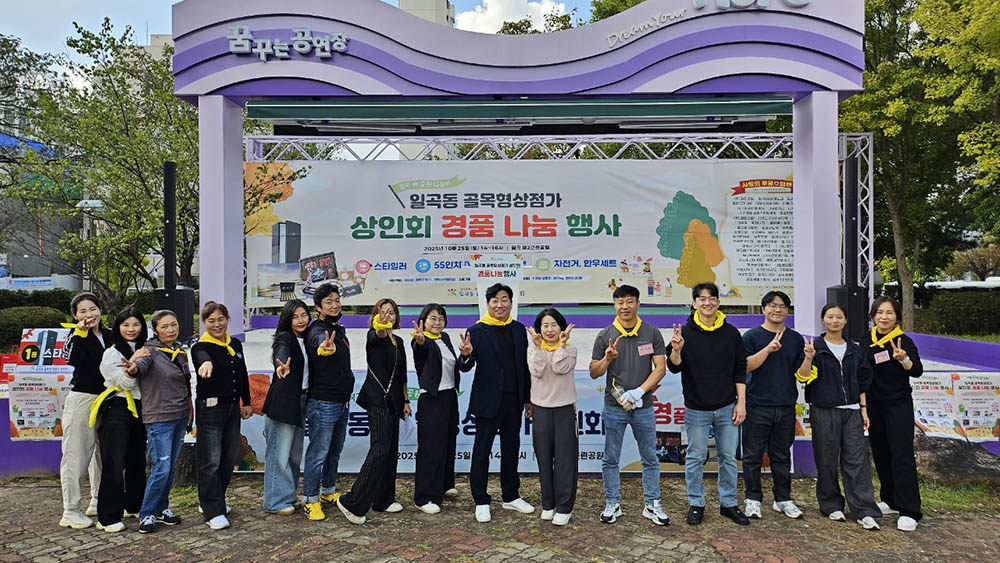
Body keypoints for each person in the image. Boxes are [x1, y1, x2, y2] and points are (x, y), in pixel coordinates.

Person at [667, 282, 749, 526]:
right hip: (696, 409)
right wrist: (676, 349)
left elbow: (740, 369)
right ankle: (696, 503)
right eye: (702, 298)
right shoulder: (684, 332)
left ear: (718, 302)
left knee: (728, 457)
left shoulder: (731, 333)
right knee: (696, 457)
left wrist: (741, 403)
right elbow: (674, 366)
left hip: (727, 406)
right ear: (694, 303)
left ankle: (729, 503)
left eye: (712, 298)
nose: (707, 302)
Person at [590, 284, 670, 526]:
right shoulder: (605, 335)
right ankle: (612, 503)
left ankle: (652, 503)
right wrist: (607, 359)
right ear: (614, 305)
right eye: (620, 302)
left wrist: (639, 392)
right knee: (610, 457)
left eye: (630, 301)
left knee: (650, 457)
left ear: (638, 304)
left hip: (643, 407)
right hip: (614, 407)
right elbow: (594, 372)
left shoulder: (651, 333)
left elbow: (660, 369)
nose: (625, 306)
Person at [797, 304, 882, 531]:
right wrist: (808, 358)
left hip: (852, 410)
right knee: (826, 459)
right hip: (824, 409)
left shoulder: (855, 349)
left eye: (839, 317)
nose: (834, 321)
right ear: (822, 320)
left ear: (845, 321)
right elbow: (803, 377)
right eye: (830, 317)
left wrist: (863, 408)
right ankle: (831, 505)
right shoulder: (815, 347)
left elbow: (863, 381)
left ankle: (863, 509)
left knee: (856, 461)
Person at [464, 283, 534, 523]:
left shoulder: (518, 330)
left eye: (504, 300)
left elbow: (524, 366)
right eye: (495, 300)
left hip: (513, 401)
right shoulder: (476, 331)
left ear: (511, 303)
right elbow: (465, 366)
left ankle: (511, 495)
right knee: (481, 451)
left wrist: (527, 399)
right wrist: (465, 355)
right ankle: (481, 500)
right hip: (487, 402)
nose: (500, 305)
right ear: (487, 304)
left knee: (511, 449)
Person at [337, 298, 410, 524]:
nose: (387, 316)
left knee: (391, 450)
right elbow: (377, 334)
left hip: (395, 401)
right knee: (379, 449)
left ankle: (384, 499)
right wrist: (380, 326)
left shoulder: (399, 341)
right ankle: (353, 502)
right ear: (376, 316)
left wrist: (406, 400)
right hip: (377, 400)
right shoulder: (373, 336)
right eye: (382, 312)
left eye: (391, 312)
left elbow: (402, 374)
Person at [125, 310, 193, 534]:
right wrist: (132, 368)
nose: (170, 330)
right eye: (164, 326)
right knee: (161, 467)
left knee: (170, 467)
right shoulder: (150, 351)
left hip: (180, 415)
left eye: (174, 324)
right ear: (155, 330)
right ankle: (146, 513)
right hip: (159, 419)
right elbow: (139, 366)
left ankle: (162, 508)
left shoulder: (180, 352)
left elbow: (185, 384)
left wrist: (190, 409)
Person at [741, 291, 805, 520]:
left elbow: (802, 374)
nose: (777, 310)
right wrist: (767, 349)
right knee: (753, 455)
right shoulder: (751, 337)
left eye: (782, 306)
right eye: (772, 305)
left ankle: (783, 499)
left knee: (781, 456)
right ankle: (753, 499)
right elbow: (745, 366)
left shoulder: (796, 339)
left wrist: (808, 358)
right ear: (763, 309)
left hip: (785, 405)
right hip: (756, 405)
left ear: (787, 310)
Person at [862, 296, 924, 531]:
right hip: (873, 405)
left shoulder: (903, 340)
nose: (884, 317)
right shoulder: (866, 339)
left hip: (898, 405)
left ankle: (910, 510)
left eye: (889, 313)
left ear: (896, 316)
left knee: (902, 455)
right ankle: (890, 499)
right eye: (879, 312)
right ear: (873, 316)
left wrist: (903, 359)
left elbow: (917, 370)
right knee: (881, 453)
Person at [191, 302, 253, 530]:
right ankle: (212, 511)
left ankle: (214, 499)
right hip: (210, 409)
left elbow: (242, 373)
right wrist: (206, 363)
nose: (217, 324)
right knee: (210, 460)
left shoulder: (234, 344)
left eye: (221, 319)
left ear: (227, 319)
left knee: (228, 458)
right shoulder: (200, 347)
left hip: (232, 408)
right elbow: (202, 357)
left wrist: (246, 402)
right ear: (204, 323)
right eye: (211, 321)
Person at [92, 307, 149, 533]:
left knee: (137, 461)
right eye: (125, 325)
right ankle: (107, 517)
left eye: (136, 324)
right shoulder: (112, 353)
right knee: (114, 463)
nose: (131, 329)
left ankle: (134, 505)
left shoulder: (146, 349)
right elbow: (124, 384)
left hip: (141, 409)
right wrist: (133, 363)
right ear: (118, 328)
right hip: (117, 408)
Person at [411, 303, 471, 514]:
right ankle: (424, 496)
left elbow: (461, 367)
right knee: (431, 447)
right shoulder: (420, 339)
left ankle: (445, 484)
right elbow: (420, 350)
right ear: (423, 321)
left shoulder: (444, 338)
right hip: (431, 399)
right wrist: (420, 341)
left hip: (449, 396)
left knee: (447, 442)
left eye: (441, 318)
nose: (437, 322)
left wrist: (465, 355)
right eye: (433, 318)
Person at [301, 283, 353, 520]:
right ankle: (310, 499)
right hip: (323, 402)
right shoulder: (318, 330)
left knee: (334, 451)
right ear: (318, 307)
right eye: (329, 302)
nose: (334, 305)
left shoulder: (336, 329)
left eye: (337, 300)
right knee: (318, 452)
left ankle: (328, 491)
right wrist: (324, 347)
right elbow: (318, 342)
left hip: (342, 401)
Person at [59, 292, 110, 529]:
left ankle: (97, 500)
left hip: (107, 399)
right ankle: (70, 510)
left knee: (100, 455)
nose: (89, 315)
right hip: (83, 399)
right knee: (76, 455)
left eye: (93, 309)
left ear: (100, 310)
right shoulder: (75, 336)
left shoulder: (109, 335)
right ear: (75, 316)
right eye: (83, 311)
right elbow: (71, 358)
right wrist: (80, 332)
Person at [527, 307, 578, 526]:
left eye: (554, 325)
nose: (549, 330)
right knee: (544, 458)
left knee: (565, 460)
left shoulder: (571, 349)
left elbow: (559, 368)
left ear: (562, 328)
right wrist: (538, 348)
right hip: (541, 410)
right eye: (545, 325)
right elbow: (537, 370)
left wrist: (562, 345)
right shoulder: (532, 349)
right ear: (539, 329)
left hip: (564, 410)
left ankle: (564, 507)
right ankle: (548, 504)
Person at [262, 299, 311, 515]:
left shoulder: (308, 339)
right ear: (287, 320)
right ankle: (274, 501)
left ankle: (288, 496)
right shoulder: (285, 337)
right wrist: (281, 366)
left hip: (301, 401)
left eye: (304, 315)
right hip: (283, 402)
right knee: (279, 453)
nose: (300, 320)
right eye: (295, 317)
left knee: (294, 454)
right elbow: (281, 352)